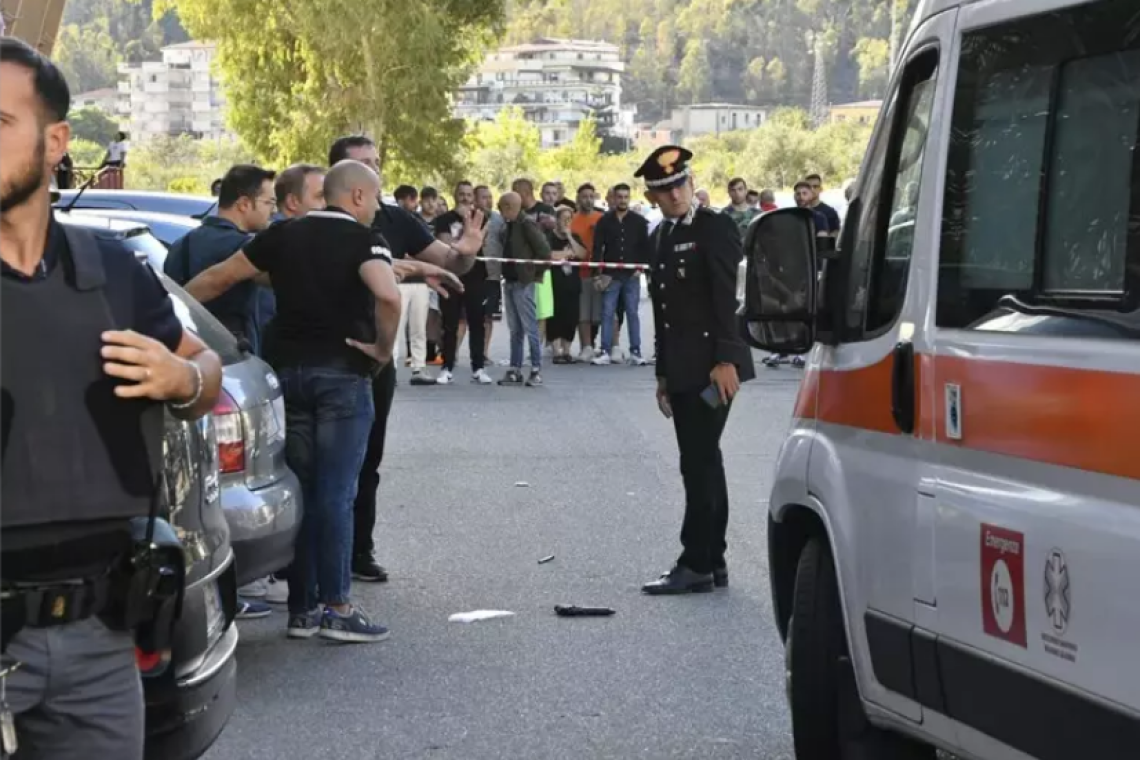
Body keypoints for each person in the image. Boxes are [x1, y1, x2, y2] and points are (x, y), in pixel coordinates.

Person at [0, 39, 223, 757]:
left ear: (55, 140)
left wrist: (183, 379)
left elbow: (204, 368)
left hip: (99, 639)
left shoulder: (115, 271)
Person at [183, 160, 460, 641]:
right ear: (355, 197)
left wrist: (169, 318)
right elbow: (387, 296)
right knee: (337, 493)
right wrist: (379, 349)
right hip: (341, 376)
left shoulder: (282, 235)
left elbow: (219, 278)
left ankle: (302, 608)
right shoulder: (362, 238)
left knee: (303, 489)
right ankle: (337, 606)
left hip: (287, 373)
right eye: (375, 198)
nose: (377, 208)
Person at [327, 135, 483, 584]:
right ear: (343, 175)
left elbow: (451, 264)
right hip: (325, 356)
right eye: (365, 165)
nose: (375, 172)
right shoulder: (316, 223)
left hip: (377, 359)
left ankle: (360, 551)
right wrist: (411, 268)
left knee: (367, 460)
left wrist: (466, 251)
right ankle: (305, 560)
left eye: (378, 162)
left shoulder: (395, 218)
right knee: (321, 465)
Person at [635, 145, 755, 595]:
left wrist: (727, 359)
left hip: (713, 367)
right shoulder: (660, 236)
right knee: (703, 462)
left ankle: (697, 561)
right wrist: (663, 373)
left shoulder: (715, 227)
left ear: (691, 181)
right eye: (664, 191)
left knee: (699, 462)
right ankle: (714, 559)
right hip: (683, 368)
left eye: (680, 184)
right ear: (653, 195)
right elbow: (665, 311)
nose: (675, 195)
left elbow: (727, 299)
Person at [243, 162, 327, 608]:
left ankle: (303, 595)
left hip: (275, 371)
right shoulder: (277, 241)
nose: (328, 205)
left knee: (302, 479)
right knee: (306, 482)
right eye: (319, 197)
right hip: (280, 375)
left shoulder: (307, 239)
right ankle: (311, 594)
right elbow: (221, 276)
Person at [164, 165, 277, 356]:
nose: (273, 211)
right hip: (232, 358)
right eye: (269, 202)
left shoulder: (181, 244)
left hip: (184, 352)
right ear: (244, 204)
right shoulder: (247, 250)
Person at [434, 181, 494, 385]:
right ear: (455, 195)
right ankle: (447, 366)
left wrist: (464, 242)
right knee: (450, 324)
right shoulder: (443, 219)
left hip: (476, 276)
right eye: (462, 194)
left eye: (469, 195)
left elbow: (479, 244)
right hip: (451, 276)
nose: (466, 198)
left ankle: (478, 367)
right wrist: (463, 241)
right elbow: (445, 244)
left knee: (477, 322)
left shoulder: (481, 218)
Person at [496, 191, 551, 387]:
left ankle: (536, 369)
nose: (500, 212)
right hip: (510, 281)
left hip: (523, 282)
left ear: (510, 207)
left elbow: (544, 251)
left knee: (530, 327)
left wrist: (534, 275)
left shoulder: (526, 224)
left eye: (501, 208)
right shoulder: (509, 226)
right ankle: (515, 369)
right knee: (515, 329)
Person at [591, 183, 649, 366]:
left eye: (626, 197)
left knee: (632, 312)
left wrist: (640, 269)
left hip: (631, 275)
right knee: (607, 312)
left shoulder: (639, 222)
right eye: (619, 197)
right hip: (610, 274)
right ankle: (605, 351)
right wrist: (597, 273)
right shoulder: (604, 221)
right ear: (613, 198)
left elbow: (645, 247)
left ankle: (636, 352)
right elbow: (597, 248)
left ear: (629, 198)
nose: (623, 200)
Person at [569, 183, 603, 362]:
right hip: (578, 271)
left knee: (599, 313)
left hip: (598, 270)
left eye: (591, 196)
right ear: (578, 198)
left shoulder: (601, 218)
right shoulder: (572, 220)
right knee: (583, 313)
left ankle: (604, 346)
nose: (588, 200)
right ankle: (586, 346)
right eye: (584, 196)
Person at [547, 206, 582, 363]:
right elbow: (548, 255)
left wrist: (570, 237)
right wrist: (567, 254)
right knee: (555, 317)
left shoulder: (574, 236)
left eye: (569, 219)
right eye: (564, 218)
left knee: (571, 317)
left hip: (572, 284)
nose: (566, 222)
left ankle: (567, 351)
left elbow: (582, 254)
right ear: (557, 220)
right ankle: (556, 351)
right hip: (554, 282)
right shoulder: (548, 237)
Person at [475, 185, 504, 359]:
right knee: (466, 318)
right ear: (476, 200)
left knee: (488, 317)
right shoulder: (470, 218)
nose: (488, 201)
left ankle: (483, 353)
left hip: (492, 275)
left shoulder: (499, 220)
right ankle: (453, 353)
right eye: (484, 197)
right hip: (472, 275)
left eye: (490, 197)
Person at [804, 173, 842, 238]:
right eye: (809, 187)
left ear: (820, 189)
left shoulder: (830, 212)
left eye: (815, 186)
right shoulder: (799, 211)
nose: (812, 189)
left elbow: (834, 236)